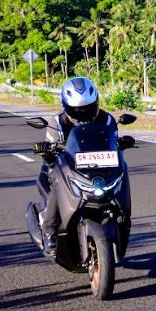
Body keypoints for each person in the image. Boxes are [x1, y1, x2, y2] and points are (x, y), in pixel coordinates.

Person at [33, 77, 133, 255]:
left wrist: (122, 142)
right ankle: (50, 232)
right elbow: (51, 148)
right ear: (67, 106)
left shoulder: (107, 119)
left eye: (87, 107)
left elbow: (112, 142)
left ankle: (123, 218)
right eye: (77, 109)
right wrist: (45, 149)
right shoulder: (57, 122)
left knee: (124, 171)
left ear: (95, 103)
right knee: (57, 180)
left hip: (100, 166)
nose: (83, 112)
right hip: (67, 165)